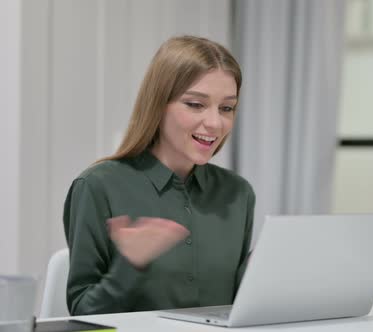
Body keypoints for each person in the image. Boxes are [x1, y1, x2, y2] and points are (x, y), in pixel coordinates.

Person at [62, 36, 255, 315]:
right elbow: (83, 313)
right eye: (195, 104)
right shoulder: (97, 187)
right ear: (158, 104)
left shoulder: (238, 193)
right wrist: (129, 267)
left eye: (226, 108)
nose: (215, 123)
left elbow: (239, 308)